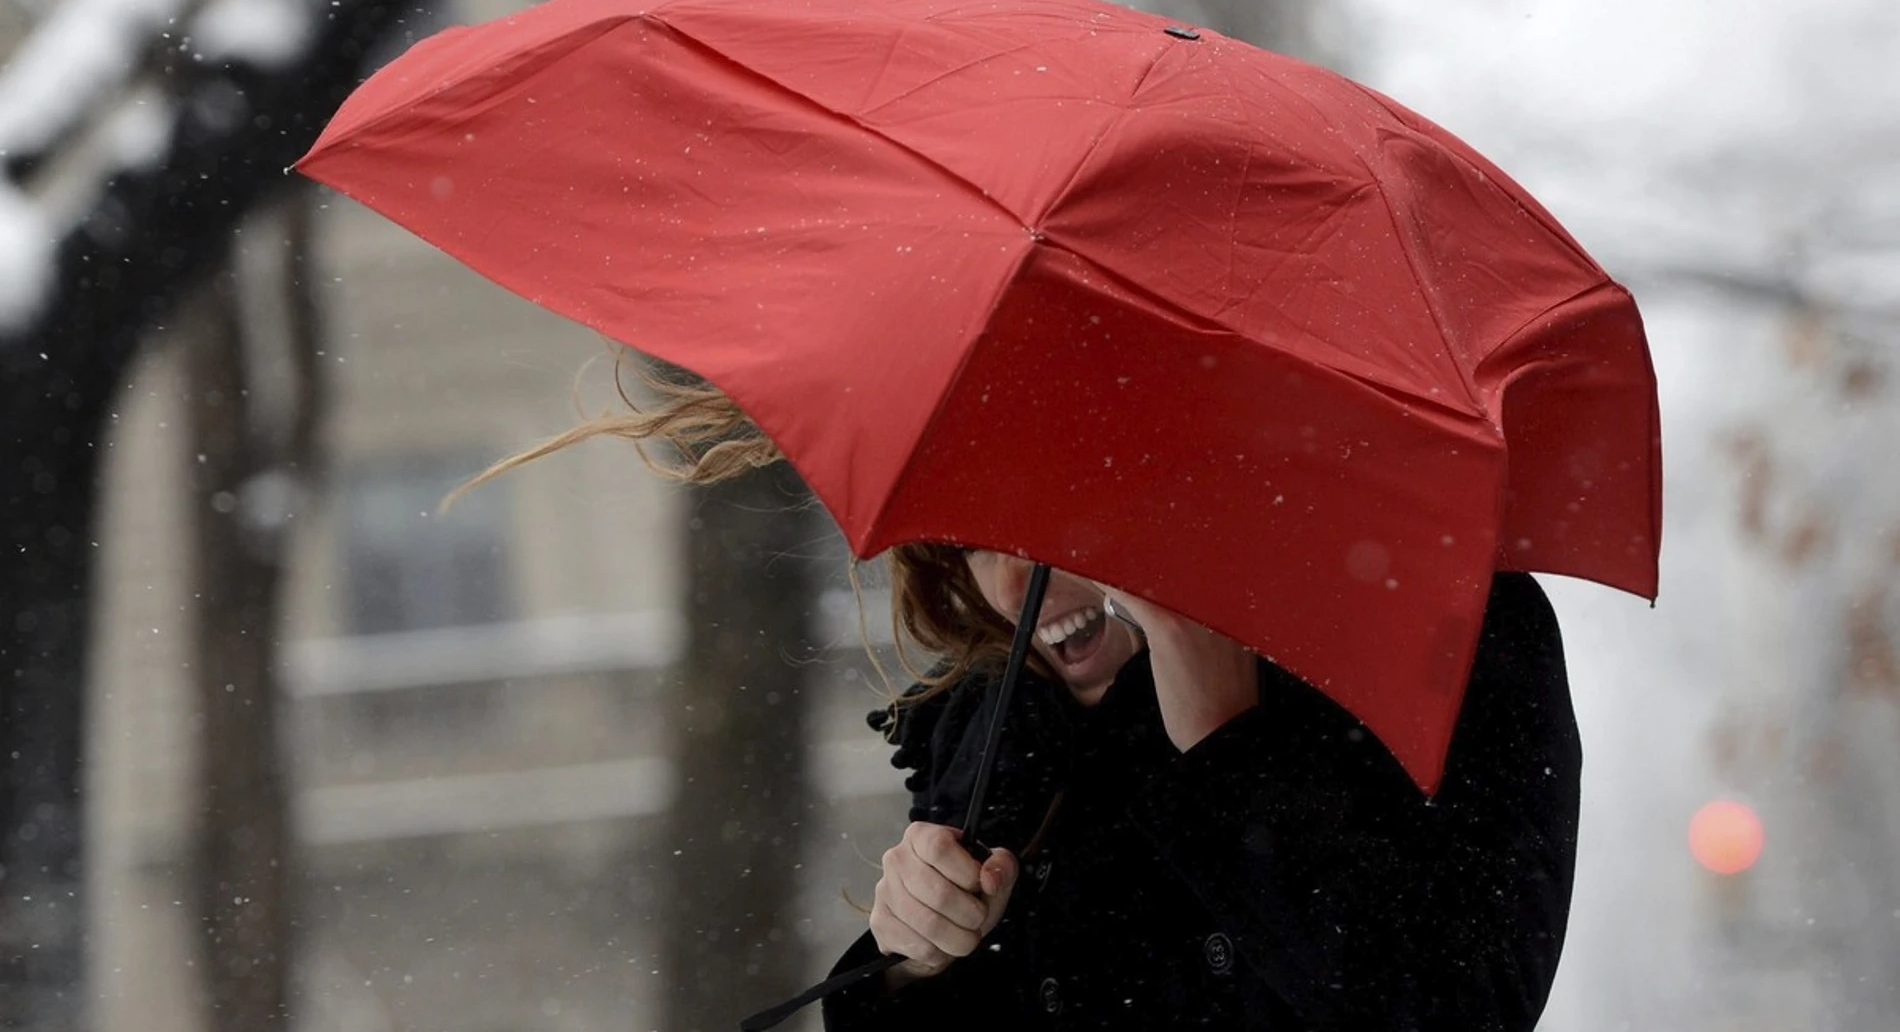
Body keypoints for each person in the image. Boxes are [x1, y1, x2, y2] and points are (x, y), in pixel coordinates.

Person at [468, 363, 1582, 1031]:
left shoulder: (1445, 623)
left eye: (1061, 514)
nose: (1012, 583)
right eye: (975, 533)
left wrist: (1218, 726)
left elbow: (1453, 1005)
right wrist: (912, 964)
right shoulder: (1001, 728)